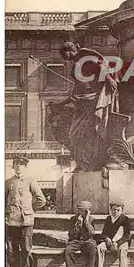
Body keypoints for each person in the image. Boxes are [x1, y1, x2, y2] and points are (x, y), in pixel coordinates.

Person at [49, 42, 117, 172]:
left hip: (90, 100)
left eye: (65, 54)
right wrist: (59, 104)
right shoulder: (78, 63)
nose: (65, 58)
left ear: (70, 50)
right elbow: (76, 94)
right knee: (76, 135)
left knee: (78, 134)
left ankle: (87, 163)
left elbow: (100, 65)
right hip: (83, 102)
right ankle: (85, 164)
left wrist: (109, 79)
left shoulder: (83, 57)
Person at [5, 157, 46, 267]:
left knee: (26, 249)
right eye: (16, 164)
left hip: (26, 221)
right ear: (13, 167)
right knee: (11, 250)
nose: (18, 167)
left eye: (21, 164)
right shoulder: (8, 182)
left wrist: (30, 209)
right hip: (11, 221)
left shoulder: (30, 181)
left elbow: (41, 199)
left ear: (25, 167)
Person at [89, 198, 131, 267]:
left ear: (122, 210)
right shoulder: (108, 218)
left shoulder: (125, 219)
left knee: (122, 250)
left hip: (122, 241)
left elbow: (127, 235)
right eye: (113, 210)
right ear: (110, 210)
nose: (115, 212)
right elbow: (104, 233)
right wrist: (106, 238)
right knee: (100, 247)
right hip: (110, 241)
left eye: (118, 210)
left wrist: (117, 243)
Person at [63, 201, 97, 267]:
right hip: (76, 241)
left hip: (88, 240)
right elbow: (71, 235)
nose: (80, 212)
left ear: (88, 211)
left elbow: (92, 233)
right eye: (79, 210)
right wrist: (78, 224)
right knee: (68, 250)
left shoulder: (91, 219)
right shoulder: (73, 219)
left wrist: (86, 221)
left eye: (83, 210)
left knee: (92, 248)